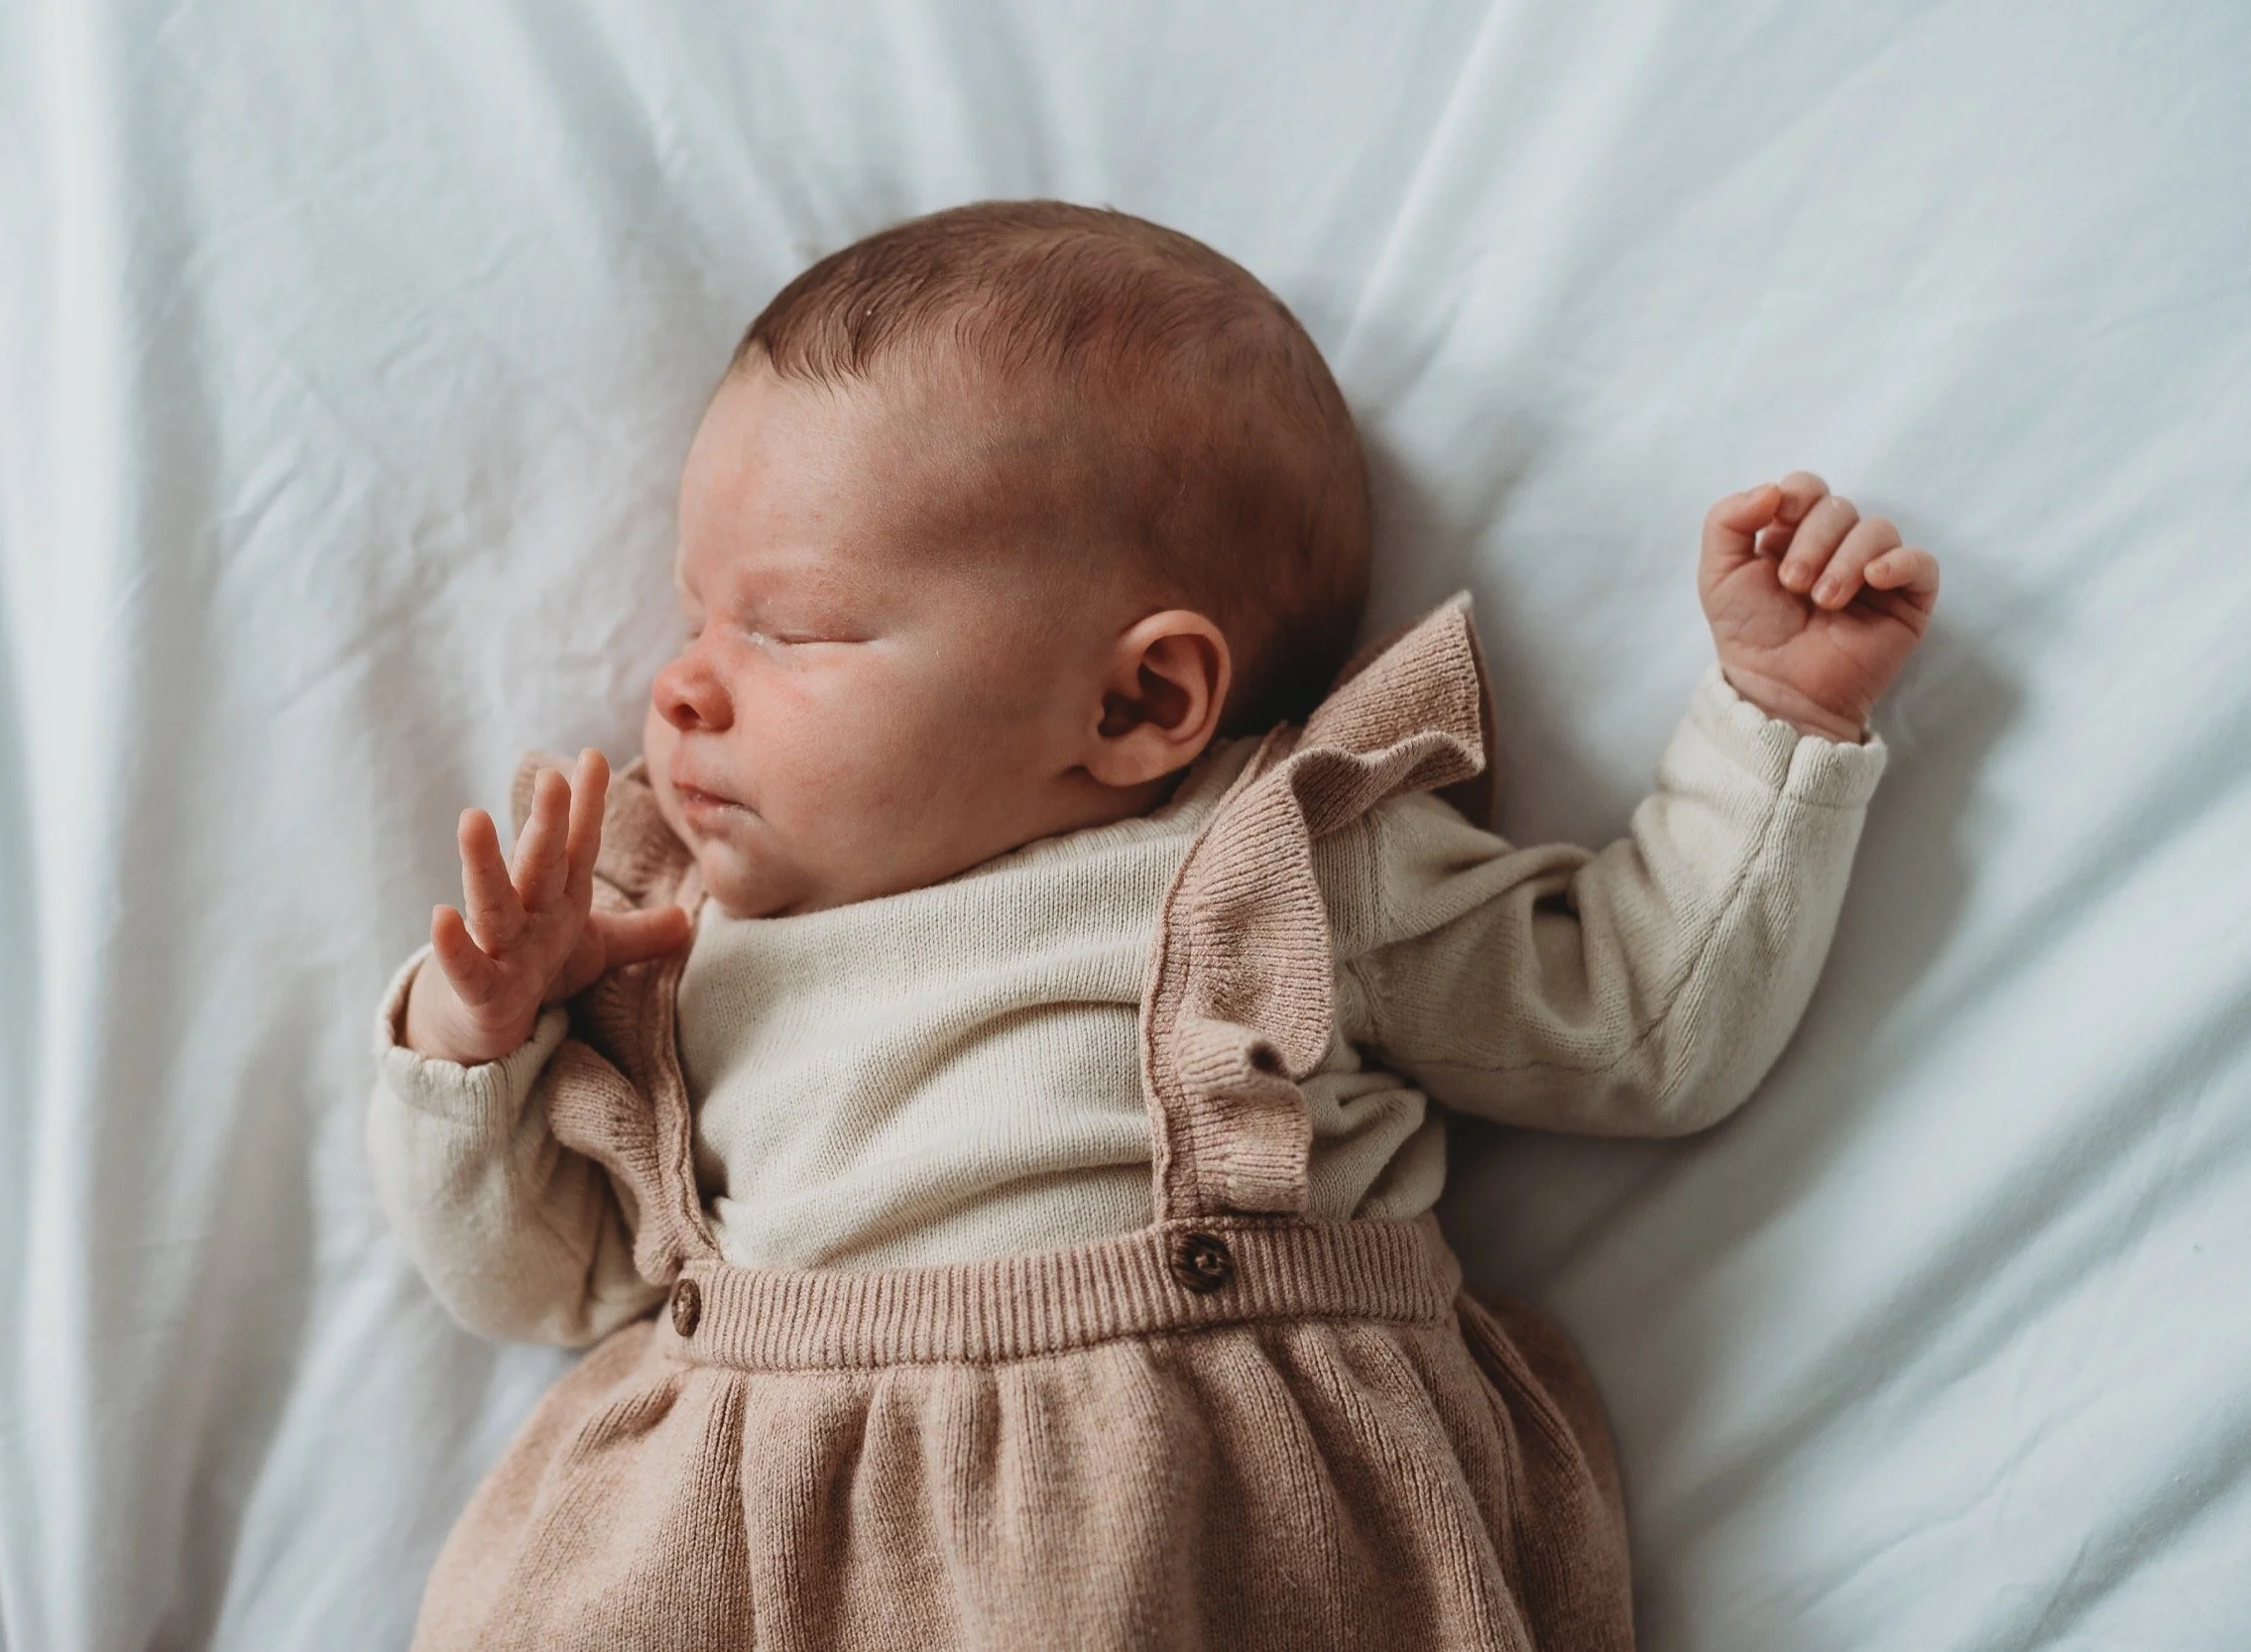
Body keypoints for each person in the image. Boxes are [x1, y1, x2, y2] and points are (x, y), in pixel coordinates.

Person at [367, 200, 1939, 1650]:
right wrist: (475, 1046)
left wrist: (1776, 719)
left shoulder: (1284, 862)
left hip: (1206, 1525)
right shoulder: (669, 941)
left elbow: (1638, 1024)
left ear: (1137, 701)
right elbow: (541, 1284)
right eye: (694, 611)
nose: (682, 685)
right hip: (753, 1537)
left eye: (791, 628)